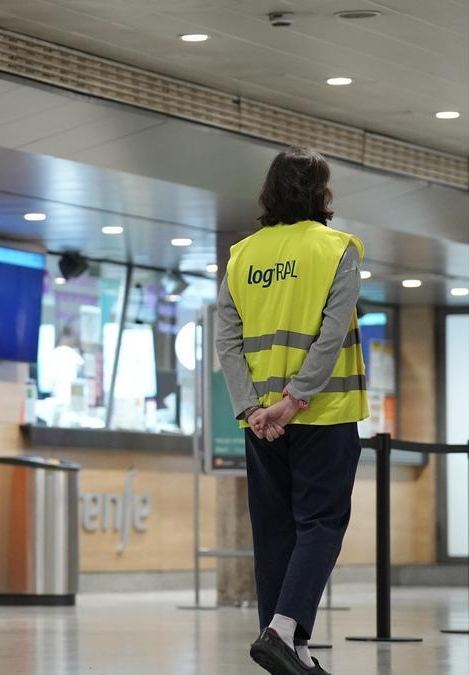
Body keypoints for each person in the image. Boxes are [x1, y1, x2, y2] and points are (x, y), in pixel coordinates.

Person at [216, 146, 368, 675]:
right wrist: (296, 398)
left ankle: (291, 650)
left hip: (262, 424)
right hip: (322, 412)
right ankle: (282, 631)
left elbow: (227, 342)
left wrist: (252, 408)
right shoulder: (338, 248)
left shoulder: (242, 255)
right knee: (322, 522)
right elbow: (331, 334)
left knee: (276, 528)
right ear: (321, 193)